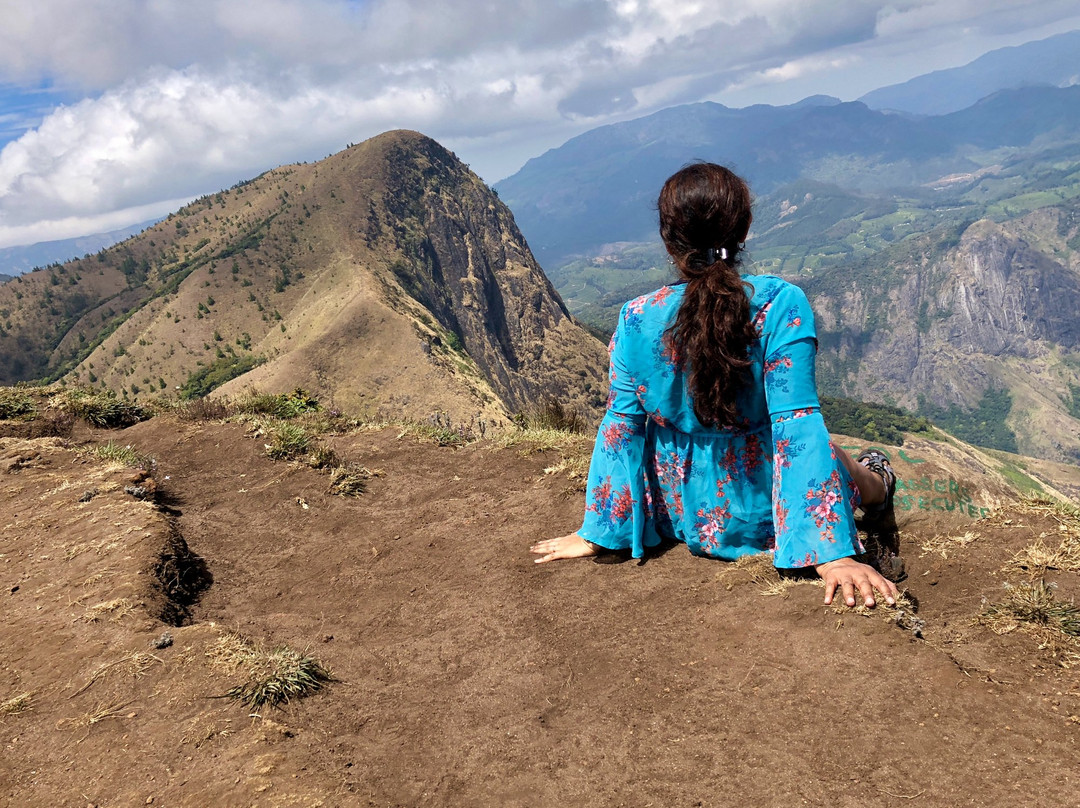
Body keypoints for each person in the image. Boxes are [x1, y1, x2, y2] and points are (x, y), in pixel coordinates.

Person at [530, 162, 899, 609]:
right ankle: (879, 485)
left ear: (670, 242)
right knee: (835, 453)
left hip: (677, 511)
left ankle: (877, 480)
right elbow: (795, 425)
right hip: (763, 511)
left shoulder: (634, 317)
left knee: (828, 449)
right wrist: (830, 554)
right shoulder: (780, 303)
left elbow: (621, 427)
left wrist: (600, 531)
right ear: (743, 228)